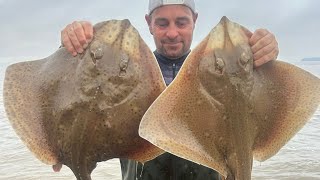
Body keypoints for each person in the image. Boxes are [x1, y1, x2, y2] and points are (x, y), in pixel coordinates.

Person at [60, 0, 279, 179]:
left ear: (194, 21)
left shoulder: (219, 70)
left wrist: (265, 62)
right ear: (149, 23)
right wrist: (71, 47)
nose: (172, 33)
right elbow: (81, 100)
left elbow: (271, 97)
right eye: (162, 23)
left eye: (181, 22)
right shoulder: (126, 74)